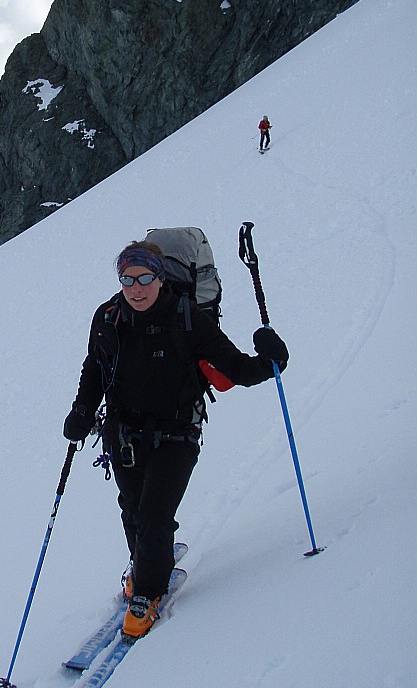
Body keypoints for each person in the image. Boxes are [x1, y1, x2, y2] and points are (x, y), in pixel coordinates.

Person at [63, 241, 288, 639]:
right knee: (133, 510)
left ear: (160, 277)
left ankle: (148, 593)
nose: (136, 288)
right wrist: (82, 411)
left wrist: (271, 362)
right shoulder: (109, 317)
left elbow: (235, 368)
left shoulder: (187, 318)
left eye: (145, 278)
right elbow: (95, 368)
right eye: (128, 279)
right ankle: (145, 565)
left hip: (177, 432)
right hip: (123, 433)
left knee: (154, 514)